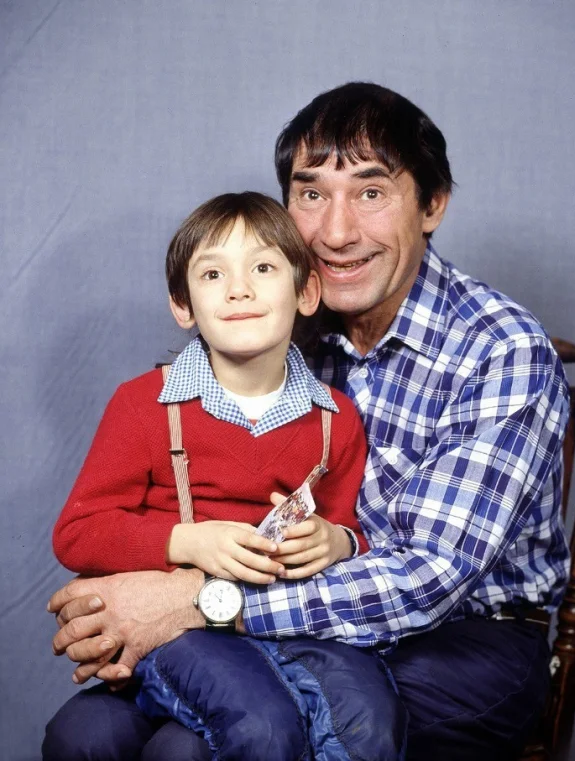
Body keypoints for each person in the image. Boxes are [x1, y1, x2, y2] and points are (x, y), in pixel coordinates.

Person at [45, 82, 571, 761]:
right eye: (312, 193)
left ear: (432, 204)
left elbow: (429, 578)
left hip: (456, 636)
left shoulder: (500, 349)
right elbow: (169, 470)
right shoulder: (280, 320)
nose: (337, 232)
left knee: (209, 740)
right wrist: (141, 591)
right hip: (281, 612)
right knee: (97, 732)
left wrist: (195, 602)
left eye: (371, 192)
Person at [48, 191, 407, 761]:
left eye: (263, 268)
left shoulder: (334, 420)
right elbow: (78, 533)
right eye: (213, 274)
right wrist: (187, 541)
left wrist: (336, 541)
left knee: (370, 720)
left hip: (288, 624)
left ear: (306, 293)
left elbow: (349, 528)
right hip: (182, 629)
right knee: (262, 725)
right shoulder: (145, 406)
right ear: (183, 304)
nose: (239, 289)